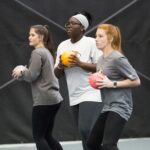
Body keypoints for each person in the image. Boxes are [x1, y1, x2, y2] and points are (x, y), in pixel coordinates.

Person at [87, 23, 141, 150]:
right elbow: (105, 80)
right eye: (96, 36)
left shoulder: (117, 58)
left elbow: (136, 80)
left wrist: (113, 84)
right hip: (107, 106)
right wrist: (95, 79)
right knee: (92, 144)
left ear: (110, 38)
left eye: (100, 36)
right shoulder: (100, 60)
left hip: (121, 106)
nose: (96, 39)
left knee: (108, 145)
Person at [54, 11, 103, 150]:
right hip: (74, 94)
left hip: (92, 92)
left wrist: (80, 63)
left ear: (82, 27)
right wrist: (60, 66)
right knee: (84, 134)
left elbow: (101, 67)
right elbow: (56, 74)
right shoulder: (62, 46)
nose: (69, 26)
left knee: (86, 129)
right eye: (67, 23)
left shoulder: (91, 43)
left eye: (73, 23)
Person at [12, 25, 63, 150]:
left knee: (39, 137)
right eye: (30, 34)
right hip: (54, 99)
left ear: (41, 37)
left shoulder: (37, 53)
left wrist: (22, 71)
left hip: (44, 100)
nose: (29, 37)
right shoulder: (47, 52)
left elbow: (31, 76)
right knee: (47, 136)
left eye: (32, 35)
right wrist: (25, 70)